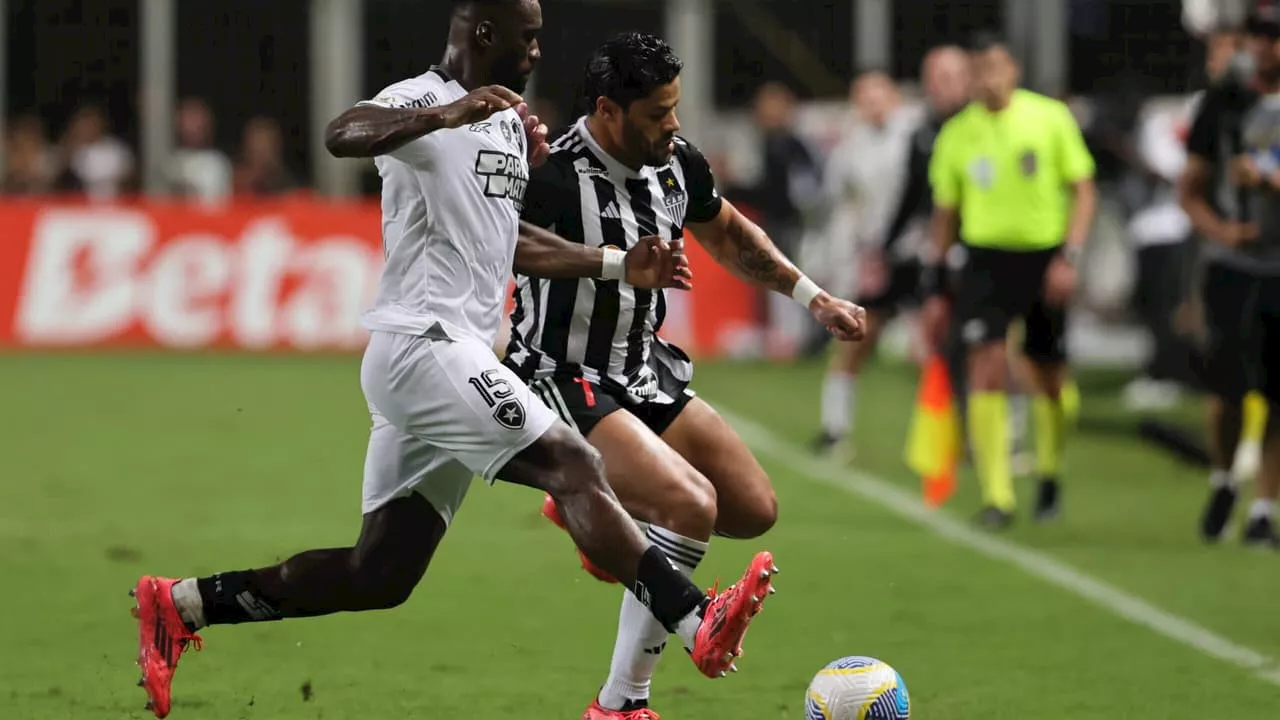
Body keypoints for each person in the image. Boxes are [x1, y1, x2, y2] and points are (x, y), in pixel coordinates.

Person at [128, 4, 778, 718]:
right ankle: (693, 621)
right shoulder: (424, 98)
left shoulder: (506, 120)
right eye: (527, 36)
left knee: (379, 572)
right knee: (571, 464)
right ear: (486, 33)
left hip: (458, 350)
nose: (537, 50)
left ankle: (182, 605)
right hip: (422, 344)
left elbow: (511, 243)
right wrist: (443, 117)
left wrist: (620, 265)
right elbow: (342, 132)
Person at [504, 32, 866, 720]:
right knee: (690, 505)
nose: (673, 124)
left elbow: (727, 232)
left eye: (675, 108)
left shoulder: (675, 163)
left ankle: (593, 512)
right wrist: (612, 261)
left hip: (642, 370)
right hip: (561, 374)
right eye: (658, 113)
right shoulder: (553, 172)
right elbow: (505, 247)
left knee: (753, 508)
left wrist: (811, 296)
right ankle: (621, 704)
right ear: (609, 112)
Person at [921, 32, 1097, 530]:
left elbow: (1083, 191)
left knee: (1050, 379)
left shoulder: (1049, 118)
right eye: (977, 70)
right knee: (987, 365)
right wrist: (936, 285)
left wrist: (1071, 255)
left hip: (1045, 259)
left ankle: (1049, 472)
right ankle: (998, 496)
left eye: (994, 67)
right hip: (985, 262)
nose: (986, 78)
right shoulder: (957, 134)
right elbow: (945, 216)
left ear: (1013, 70)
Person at [815, 49, 970, 458]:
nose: (872, 105)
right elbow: (842, 206)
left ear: (894, 97)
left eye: (878, 96)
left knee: (942, 342)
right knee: (854, 339)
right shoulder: (850, 146)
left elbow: (926, 195)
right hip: (877, 255)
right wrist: (852, 257)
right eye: (863, 98)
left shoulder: (917, 132)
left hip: (918, 251)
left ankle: (959, 431)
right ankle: (834, 427)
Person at [1180, 9, 1280, 547]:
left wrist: (1268, 180)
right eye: (1258, 38)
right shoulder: (1224, 102)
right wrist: (1222, 231)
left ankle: (1265, 507)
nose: (1264, 48)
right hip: (1234, 266)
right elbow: (1189, 188)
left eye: (1273, 38)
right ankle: (1223, 478)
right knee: (1227, 389)